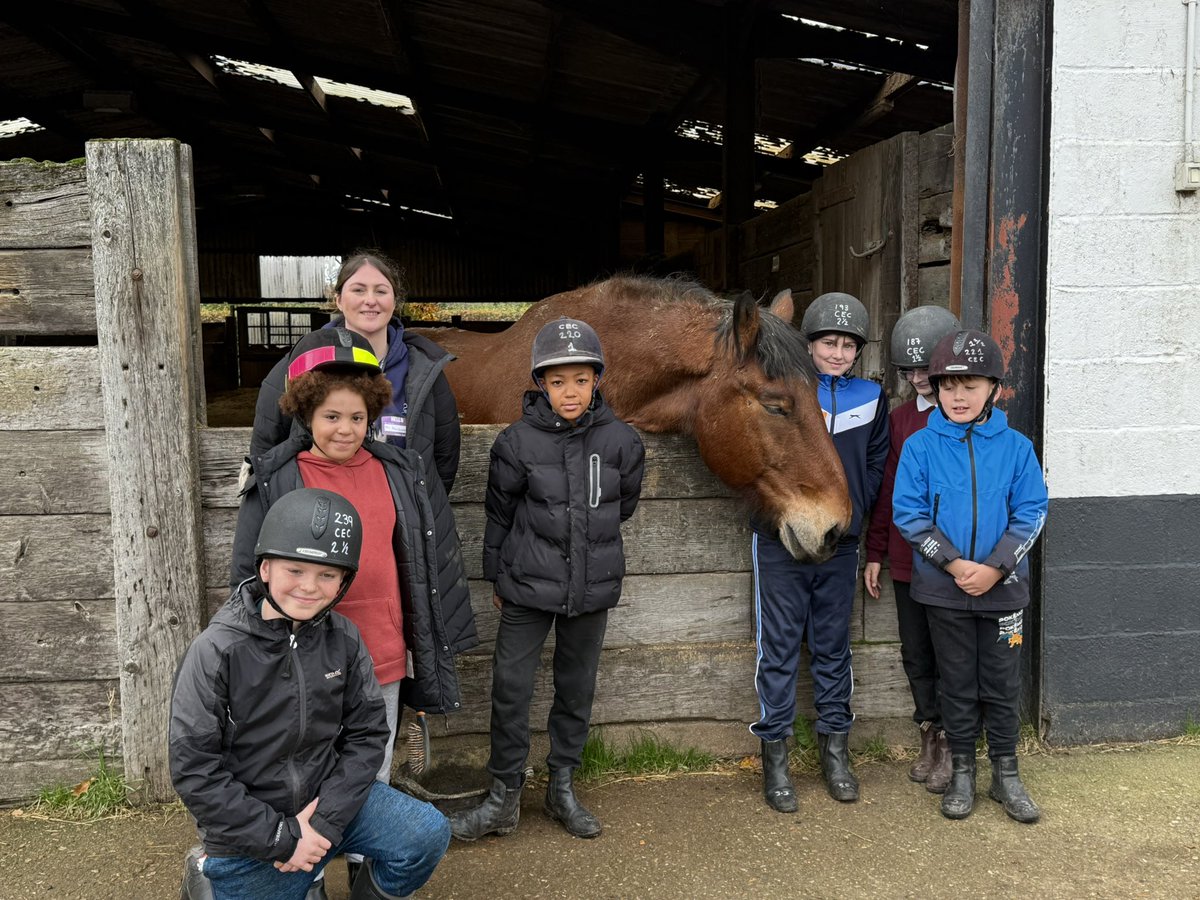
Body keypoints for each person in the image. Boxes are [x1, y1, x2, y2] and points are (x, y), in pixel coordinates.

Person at [232, 327, 476, 887]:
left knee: (374, 766)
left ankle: (369, 873)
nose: (346, 429)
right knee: (303, 769)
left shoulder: (399, 472)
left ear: (373, 415)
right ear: (305, 415)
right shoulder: (277, 477)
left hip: (382, 650)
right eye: (331, 417)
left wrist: (429, 636)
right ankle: (306, 872)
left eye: (357, 417)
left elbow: (424, 558)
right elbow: (249, 572)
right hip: (305, 659)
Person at [171, 488, 451, 900]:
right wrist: (284, 838)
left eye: (327, 574)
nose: (309, 587)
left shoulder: (345, 638)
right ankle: (207, 877)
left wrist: (323, 823)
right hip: (254, 831)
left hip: (327, 805)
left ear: (343, 581)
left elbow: (369, 734)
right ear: (265, 569)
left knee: (426, 833)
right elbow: (194, 768)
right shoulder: (216, 651)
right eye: (295, 571)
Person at [448, 317, 645, 841]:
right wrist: (498, 575)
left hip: (592, 586)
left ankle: (562, 788)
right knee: (511, 688)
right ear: (541, 384)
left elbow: (620, 508)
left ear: (597, 378)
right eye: (557, 381)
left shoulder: (623, 441)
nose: (570, 391)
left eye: (580, 379)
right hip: (527, 585)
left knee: (575, 688)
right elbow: (499, 512)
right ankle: (503, 796)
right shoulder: (516, 442)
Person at [892, 329, 1047, 823]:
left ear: (993, 390)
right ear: (935, 389)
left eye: (971, 386)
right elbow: (910, 515)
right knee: (955, 685)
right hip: (944, 590)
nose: (958, 396)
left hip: (1004, 593)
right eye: (948, 386)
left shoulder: (1018, 448)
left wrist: (996, 568)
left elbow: (1032, 512)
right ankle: (962, 772)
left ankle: (1007, 775)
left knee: (1000, 686)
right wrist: (957, 566)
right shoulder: (920, 447)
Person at [750, 291, 888, 813]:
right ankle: (776, 757)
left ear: (858, 352)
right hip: (782, 540)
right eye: (828, 342)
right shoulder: (783, 392)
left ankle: (836, 752)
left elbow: (876, 463)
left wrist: (852, 507)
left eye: (848, 345)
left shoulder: (872, 398)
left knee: (833, 648)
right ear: (807, 344)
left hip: (840, 543)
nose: (837, 352)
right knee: (778, 649)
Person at [248, 249, 462, 577]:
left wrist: (414, 504)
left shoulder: (424, 368)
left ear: (395, 299)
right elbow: (268, 443)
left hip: (401, 522)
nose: (370, 300)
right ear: (338, 298)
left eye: (381, 290)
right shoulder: (302, 360)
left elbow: (445, 455)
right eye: (358, 289)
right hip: (319, 523)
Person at [863, 305, 961, 793]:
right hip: (907, 558)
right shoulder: (900, 419)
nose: (919, 378)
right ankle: (927, 730)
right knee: (916, 652)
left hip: (955, 560)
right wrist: (876, 552)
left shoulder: (965, 416)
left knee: (951, 654)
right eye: (911, 369)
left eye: (927, 369)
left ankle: (951, 740)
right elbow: (886, 493)